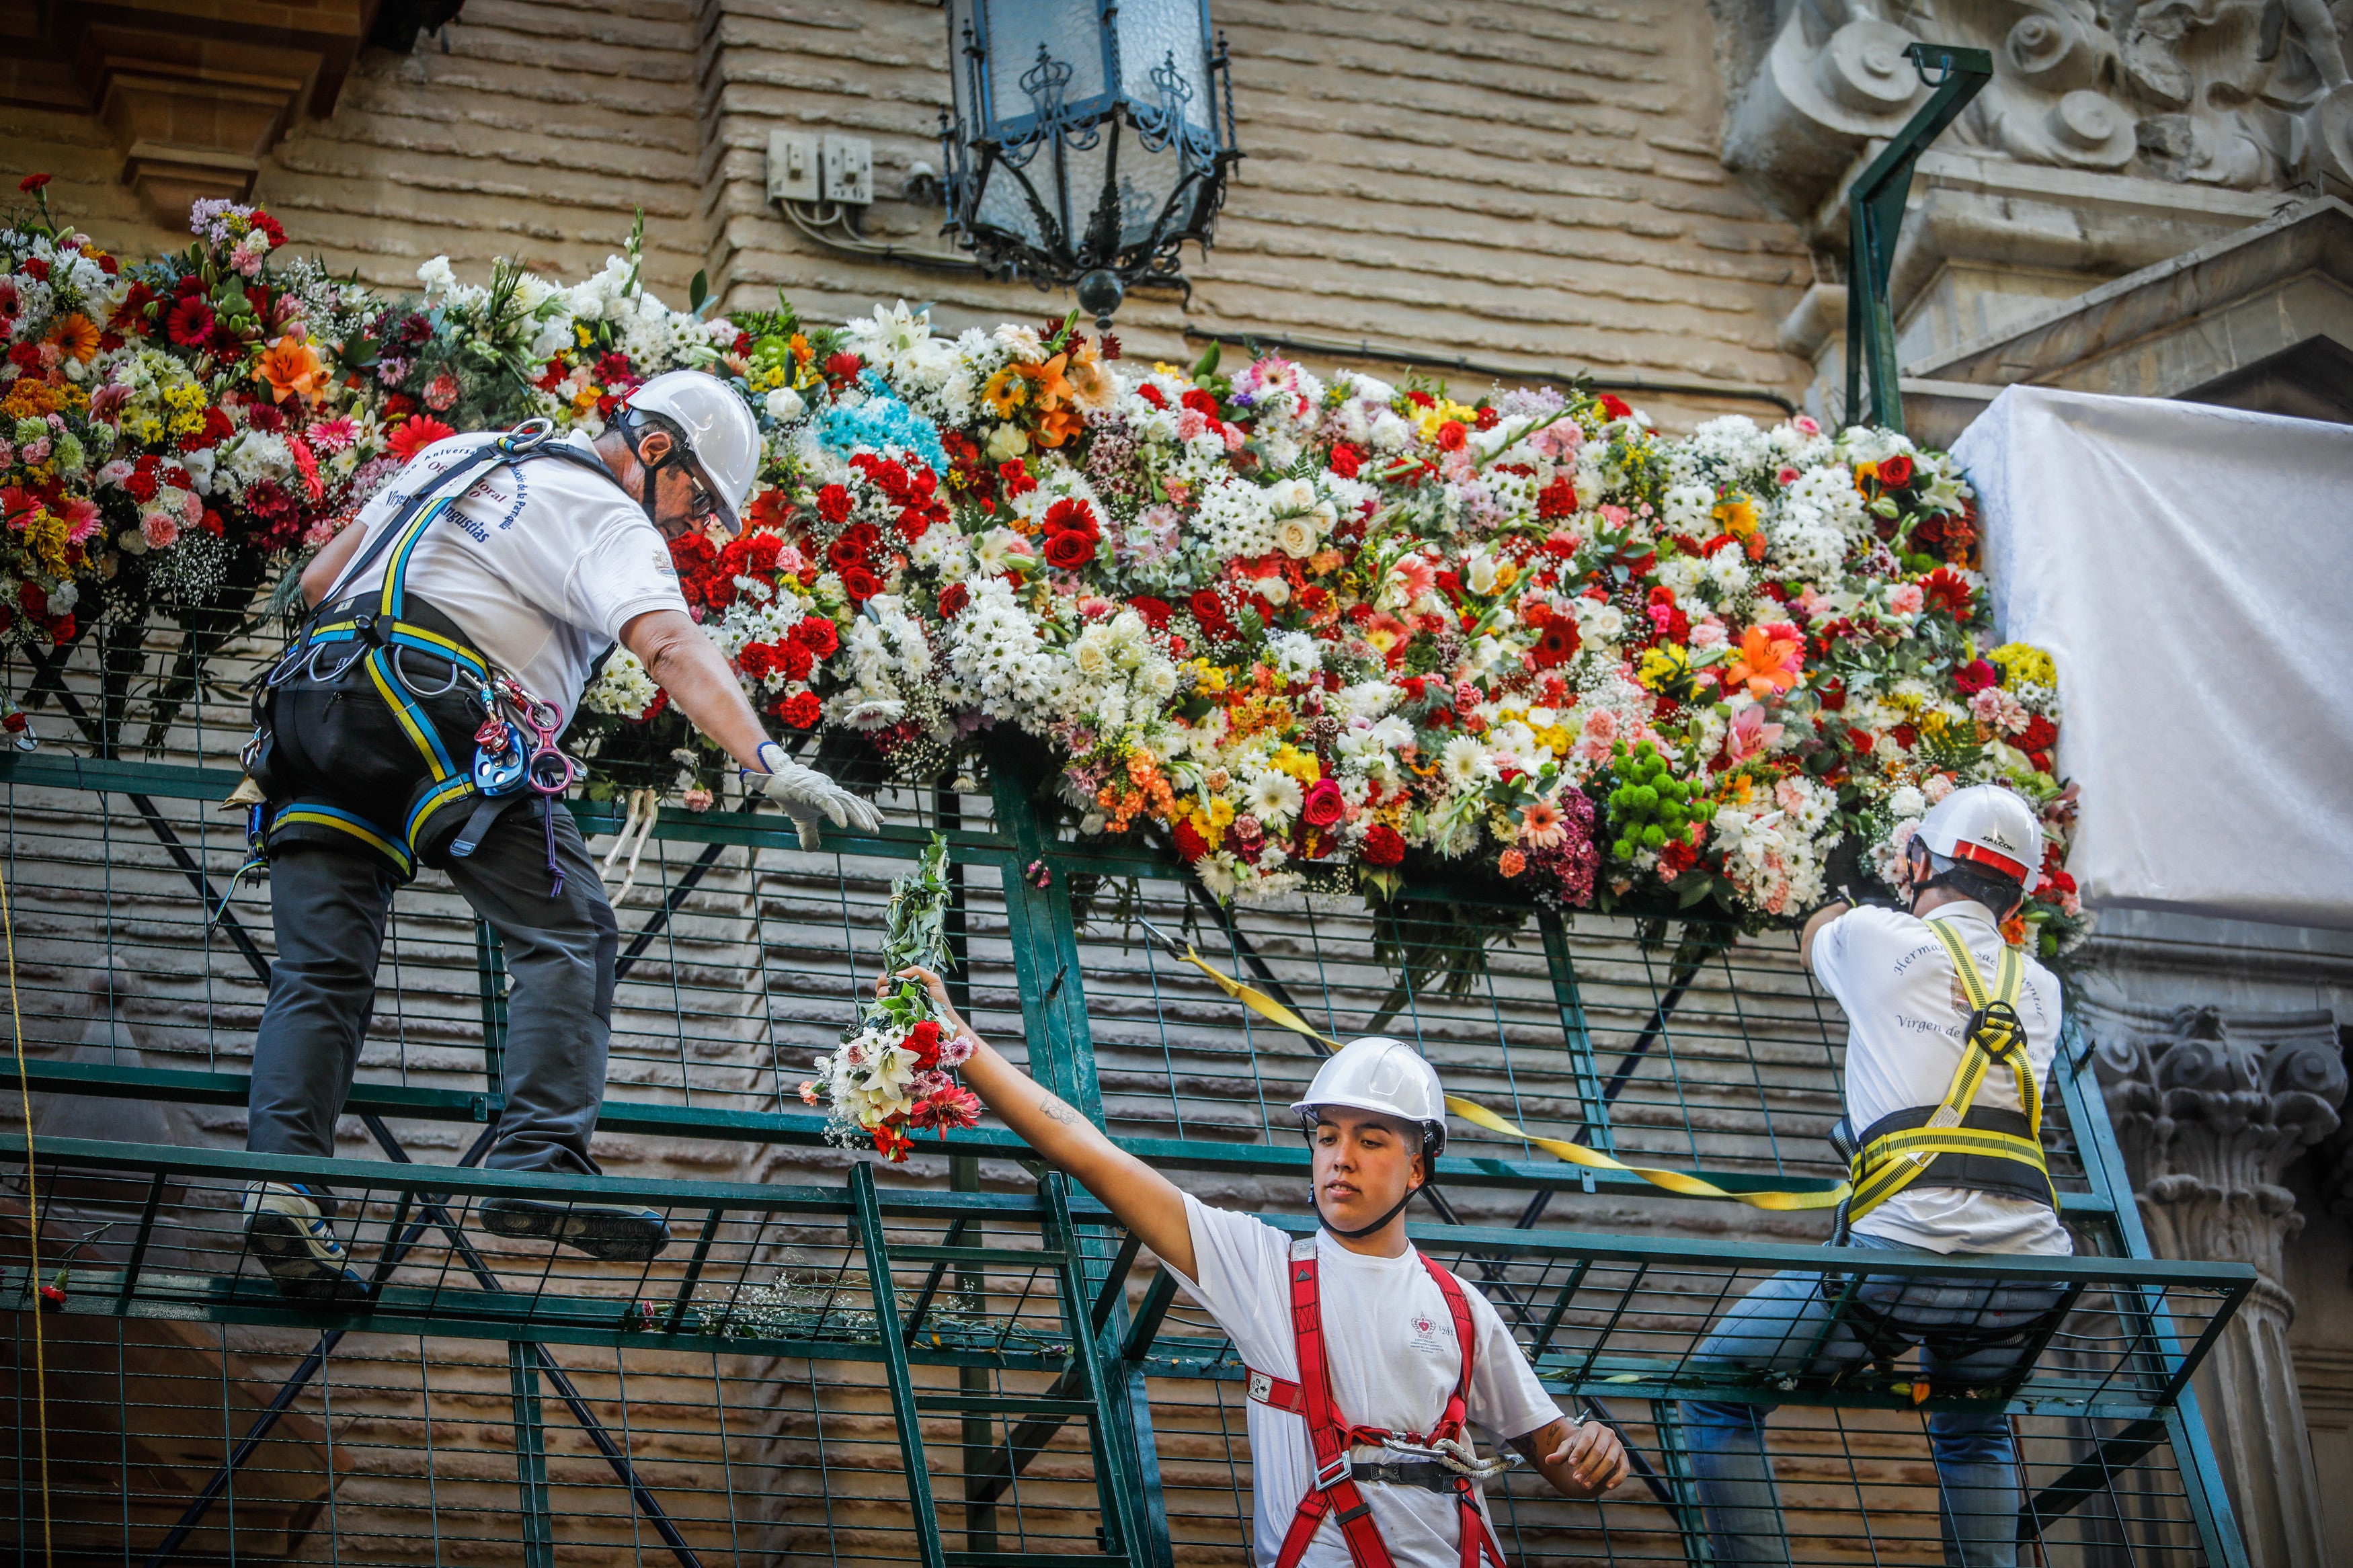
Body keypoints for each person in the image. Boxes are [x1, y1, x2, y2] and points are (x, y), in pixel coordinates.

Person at [239, 372, 881, 1301]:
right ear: (655, 448)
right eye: (698, 498)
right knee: (570, 931)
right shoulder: (605, 512)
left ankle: (282, 1186)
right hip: (440, 713)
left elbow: (320, 579)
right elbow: (668, 645)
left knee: (323, 973)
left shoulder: (461, 453)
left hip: (312, 711)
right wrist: (769, 764)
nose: (692, 524)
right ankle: (535, 1165)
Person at [889, 968, 1630, 1568]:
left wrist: (1596, 1451)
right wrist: (962, 1044)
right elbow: (1087, 1149)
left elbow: (1561, 1460)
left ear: (1417, 1168)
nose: (1340, 1156)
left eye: (1371, 1139)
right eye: (1328, 1135)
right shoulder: (1263, 1268)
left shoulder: (1458, 1303)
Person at [1678, 784, 2069, 1568]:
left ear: (1921, 859)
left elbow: (1815, 934)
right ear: (2018, 889)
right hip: (2027, 1267)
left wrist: (1841, 892)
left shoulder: (1876, 936)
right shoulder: (2043, 988)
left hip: (1902, 1255)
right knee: (1976, 1425)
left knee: (1715, 1383)